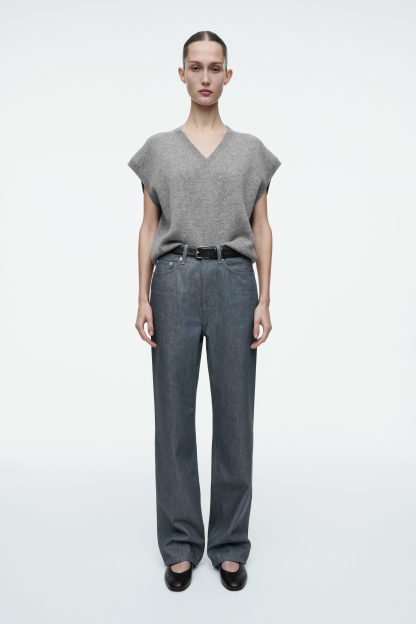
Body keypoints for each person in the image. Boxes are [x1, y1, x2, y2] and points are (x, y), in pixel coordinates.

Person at [127, 30, 282, 592]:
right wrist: (142, 295)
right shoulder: (158, 150)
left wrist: (265, 296)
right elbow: (148, 226)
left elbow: (262, 227)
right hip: (173, 279)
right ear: (182, 74)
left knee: (235, 416)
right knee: (173, 415)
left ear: (228, 75)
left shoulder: (251, 151)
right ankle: (180, 543)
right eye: (196, 67)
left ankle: (230, 544)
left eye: (215, 67)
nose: (206, 77)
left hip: (235, 280)